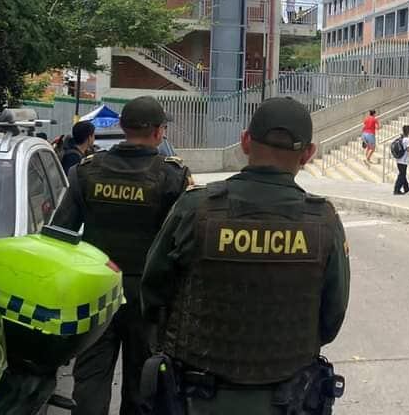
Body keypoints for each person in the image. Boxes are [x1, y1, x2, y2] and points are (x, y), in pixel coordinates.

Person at [140, 97, 350, 415]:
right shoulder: (324, 221)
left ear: (245, 141)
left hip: (196, 397)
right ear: (308, 154)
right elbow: (331, 318)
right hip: (287, 397)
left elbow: (153, 293)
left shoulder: (195, 208)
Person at [50, 96, 192, 415]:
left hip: (95, 291)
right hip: (148, 295)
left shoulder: (88, 171)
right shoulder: (172, 176)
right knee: (143, 380)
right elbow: (182, 246)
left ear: (123, 128)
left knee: (90, 376)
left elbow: (61, 233)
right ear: (158, 132)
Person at [393, 124, 409, 195]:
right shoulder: (407, 139)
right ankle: (396, 190)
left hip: (399, 159)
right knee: (402, 175)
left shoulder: (401, 138)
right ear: (408, 131)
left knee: (402, 174)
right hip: (403, 160)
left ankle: (406, 187)